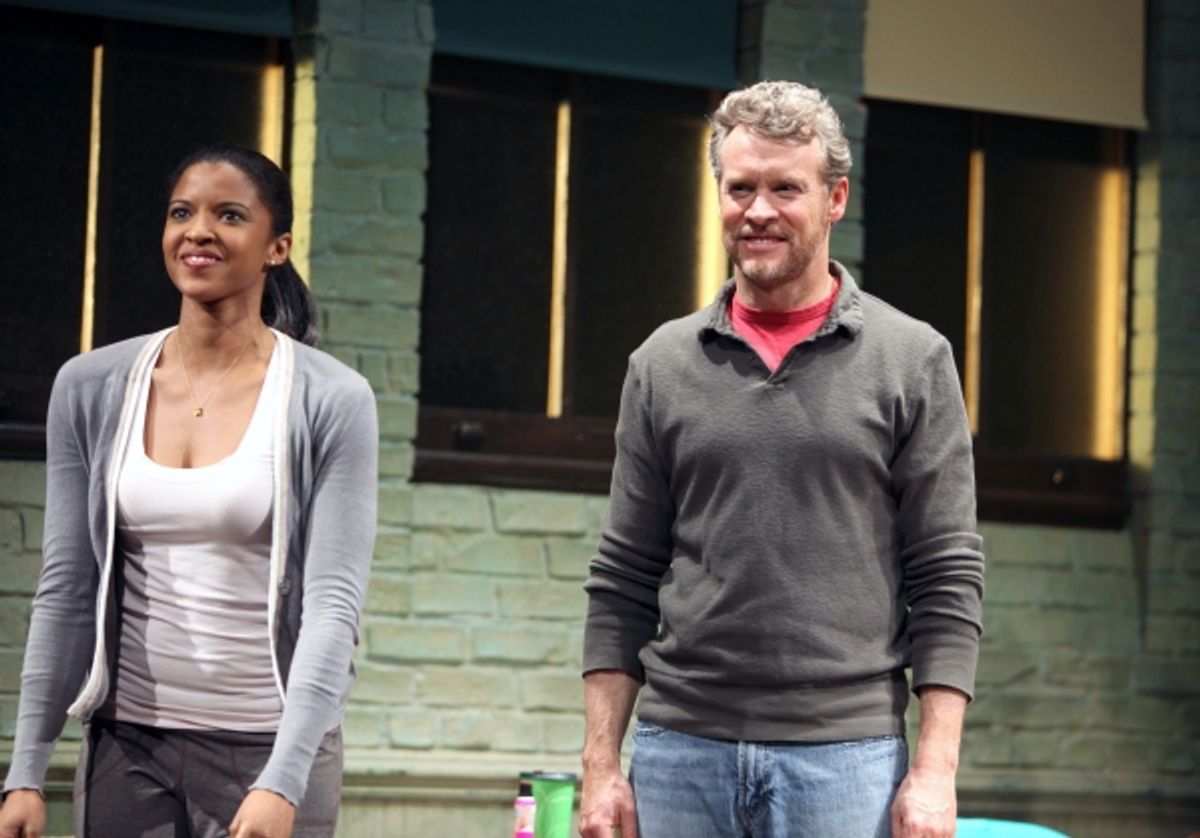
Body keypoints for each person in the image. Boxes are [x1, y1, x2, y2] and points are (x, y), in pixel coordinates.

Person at [579, 81, 985, 838]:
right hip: (679, 753)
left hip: (848, 761)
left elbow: (946, 576)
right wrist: (601, 766)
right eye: (740, 188)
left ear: (835, 199)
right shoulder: (662, 363)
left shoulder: (913, 359)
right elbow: (624, 576)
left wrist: (935, 771)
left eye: (785, 189)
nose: (757, 210)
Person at [0, 144, 378, 838]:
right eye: (182, 213)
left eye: (228, 215)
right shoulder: (89, 386)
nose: (198, 231)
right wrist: (25, 771)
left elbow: (332, 607)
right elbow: (66, 588)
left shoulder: (331, 398)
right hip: (127, 748)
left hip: (268, 749)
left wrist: (283, 778)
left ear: (276, 248)